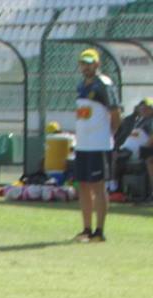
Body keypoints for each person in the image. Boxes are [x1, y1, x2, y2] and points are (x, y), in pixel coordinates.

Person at [73, 48, 120, 243]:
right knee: (83, 185)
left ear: (97, 64)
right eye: (83, 63)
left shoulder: (104, 84)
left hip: (98, 145)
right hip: (82, 144)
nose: (85, 66)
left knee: (98, 187)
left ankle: (99, 231)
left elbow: (116, 113)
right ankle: (86, 228)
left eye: (89, 63)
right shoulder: (81, 85)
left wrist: (109, 135)